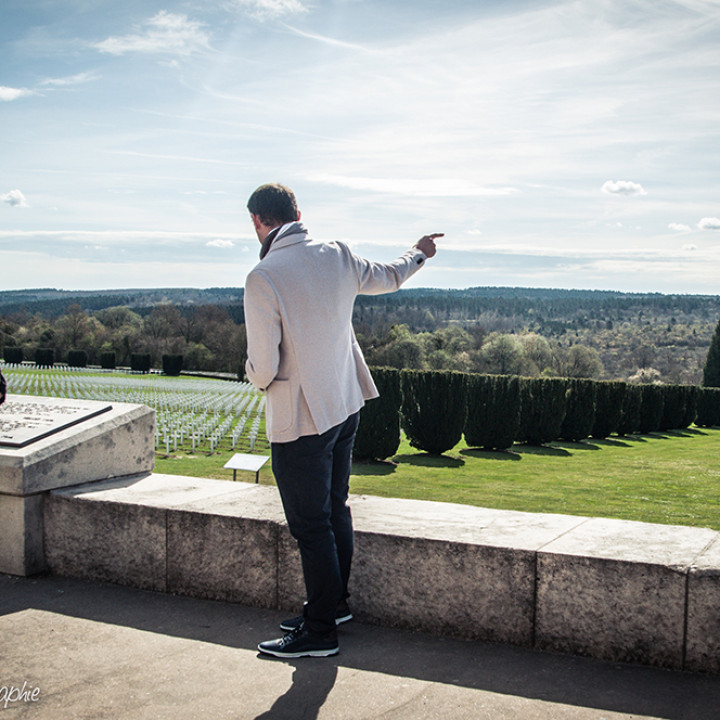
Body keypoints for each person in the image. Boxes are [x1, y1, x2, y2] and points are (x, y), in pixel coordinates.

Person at [244, 182, 440, 659]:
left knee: (311, 526)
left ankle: (319, 633)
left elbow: (264, 368)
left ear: (257, 223)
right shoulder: (336, 253)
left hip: (302, 418)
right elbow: (390, 275)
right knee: (336, 510)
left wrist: (250, 373)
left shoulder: (263, 276)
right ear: (297, 212)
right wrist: (419, 253)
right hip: (345, 404)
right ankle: (333, 607)